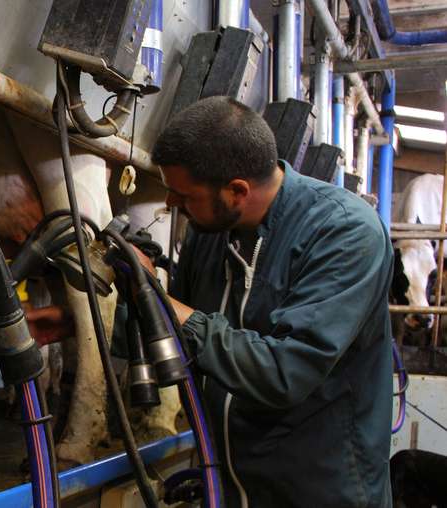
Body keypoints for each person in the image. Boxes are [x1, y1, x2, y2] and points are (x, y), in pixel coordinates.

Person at [136, 96, 393, 507]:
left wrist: (166, 304)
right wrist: (76, 319)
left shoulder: (343, 232)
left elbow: (285, 373)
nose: (170, 205)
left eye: (183, 195)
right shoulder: (210, 232)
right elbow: (172, 330)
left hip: (320, 493)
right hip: (233, 486)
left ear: (237, 190)